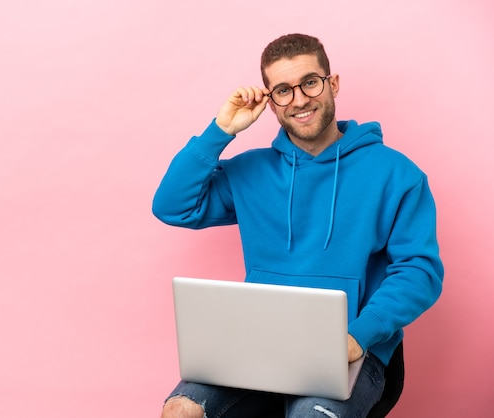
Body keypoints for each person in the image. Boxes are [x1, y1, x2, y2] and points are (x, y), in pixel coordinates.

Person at [152, 33, 444, 418]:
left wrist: (360, 336)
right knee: (180, 411)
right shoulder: (251, 170)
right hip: (257, 341)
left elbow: (419, 271)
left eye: (309, 82)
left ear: (332, 83)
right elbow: (173, 207)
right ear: (270, 101)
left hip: (351, 345)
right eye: (283, 91)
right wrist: (221, 130)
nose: (300, 100)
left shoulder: (397, 174)